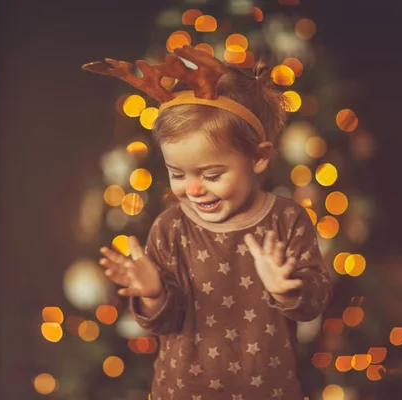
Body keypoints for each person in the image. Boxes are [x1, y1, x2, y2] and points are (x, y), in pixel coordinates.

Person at [93, 46, 332, 400]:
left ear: (259, 157)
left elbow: (314, 303)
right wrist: (154, 293)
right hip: (182, 392)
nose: (192, 189)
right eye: (177, 173)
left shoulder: (287, 218)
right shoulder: (170, 226)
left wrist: (287, 288)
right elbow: (164, 321)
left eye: (212, 174)